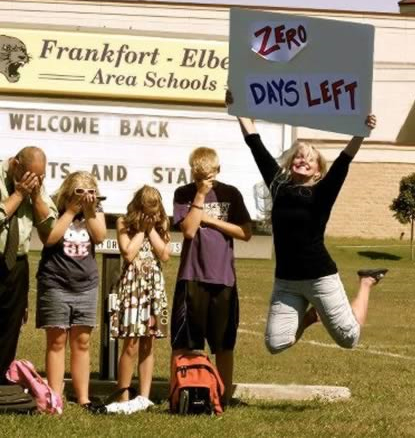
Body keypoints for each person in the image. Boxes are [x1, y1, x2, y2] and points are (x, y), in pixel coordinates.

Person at [226, 90, 387, 354]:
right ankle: (312, 316)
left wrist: (361, 131)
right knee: (276, 344)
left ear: (318, 170)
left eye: (310, 160)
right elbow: (255, 144)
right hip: (287, 279)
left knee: (349, 339)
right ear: (291, 164)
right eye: (300, 157)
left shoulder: (323, 192)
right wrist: (238, 108)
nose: (304, 161)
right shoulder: (278, 186)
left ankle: (366, 282)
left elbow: (344, 161)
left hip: (320, 277)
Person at [170, 146, 252, 406]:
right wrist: (200, 195)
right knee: (185, 341)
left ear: (218, 170)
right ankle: (181, 392)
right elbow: (189, 231)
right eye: (198, 177)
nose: (204, 181)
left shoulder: (231, 193)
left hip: (223, 278)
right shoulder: (184, 194)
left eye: (208, 176)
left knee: (224, 343)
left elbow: (245, 231)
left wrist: (212, 220)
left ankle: (223, 397)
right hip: (192, 276)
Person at [36, 171, 106, 412]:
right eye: (79, 193)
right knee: (57, 341)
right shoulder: (54, 208)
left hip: (85, 284)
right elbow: (50, 238)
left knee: (82, 342)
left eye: (90, 193)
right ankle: (55, 397)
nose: (85, 198)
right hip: (55, 283)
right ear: (67, 194)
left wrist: (89, 211)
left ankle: (83, 396)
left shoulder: (95, 211)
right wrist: (70, 211)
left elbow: (100, 236)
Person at [109, 185, 171, 414]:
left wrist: (152, 229)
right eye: (146, 211)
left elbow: (165, 255)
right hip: (132, 287)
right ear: (138, 207)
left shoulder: (161, 224)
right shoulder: (123, 223)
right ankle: (123, 396)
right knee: (131, 343)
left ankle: (144, 397)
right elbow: (128, 253)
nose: (151, 216)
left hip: (153, 287)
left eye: (154, 212)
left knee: (149, 342)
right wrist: (142, 231)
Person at [0, 147, 57, 383]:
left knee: (10, 326)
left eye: (40, 177)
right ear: (15, 164)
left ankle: (1, 381)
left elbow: (49, 229)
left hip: (17, 264)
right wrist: (19, 194)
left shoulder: (34, 184)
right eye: (32, 176)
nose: (35, 181)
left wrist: (35, 197)